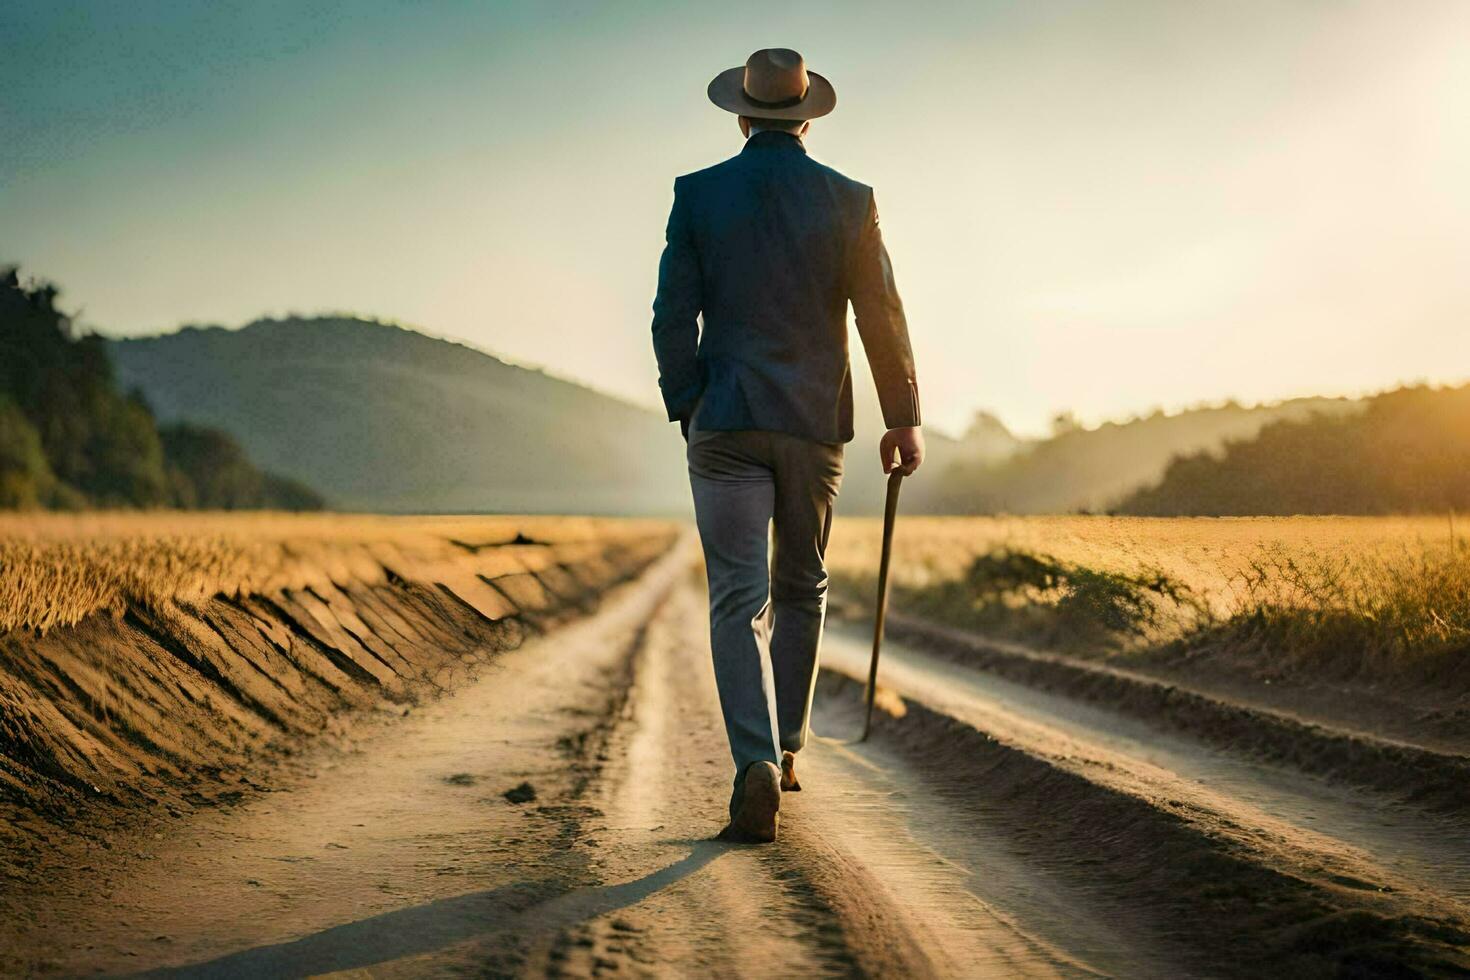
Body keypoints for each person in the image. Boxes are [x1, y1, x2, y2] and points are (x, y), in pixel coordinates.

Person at [651, 48, 924, 843]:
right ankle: (792, 747)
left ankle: (754, 763)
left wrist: (688, 403)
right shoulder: (850, 201)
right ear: (807, 118)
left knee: (739, 598)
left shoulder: (697, 196)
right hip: (814, 424)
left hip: (725, 421)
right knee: (802, 585)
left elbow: (673, 314)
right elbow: (882, 315)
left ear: (741, 115)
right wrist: (901, 414)